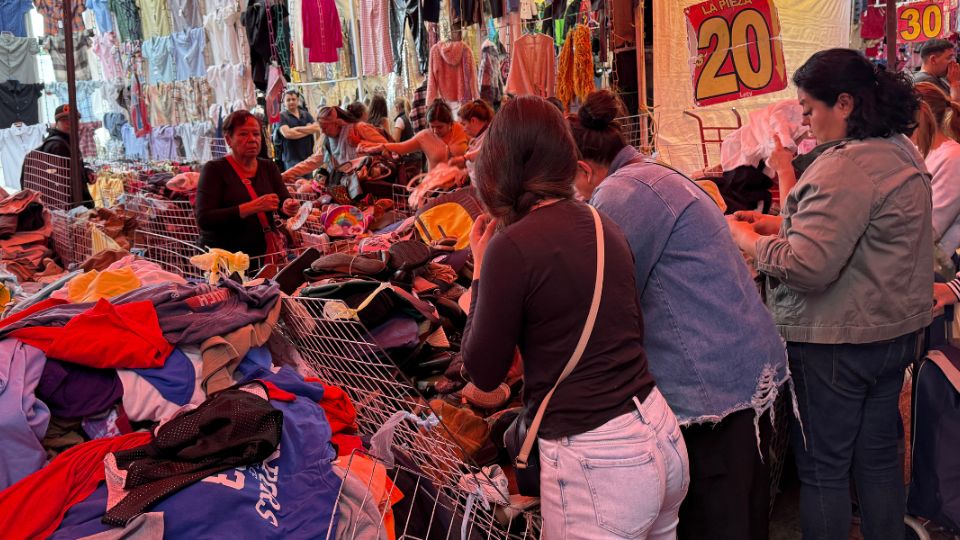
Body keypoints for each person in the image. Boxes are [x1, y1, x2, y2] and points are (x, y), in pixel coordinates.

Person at [462, 95, 688, 539]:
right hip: (659, 431)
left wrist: (479, 271)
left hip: (600, 460)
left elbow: (483, 373)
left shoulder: (509, 247)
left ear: (500, 164)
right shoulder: (602, 222)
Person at [728, 49, 932, 540]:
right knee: (877, 458)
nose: (805, 122)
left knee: (824, 469)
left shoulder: (845, 166)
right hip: (892, 334)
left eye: (808, 109)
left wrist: (749, 240)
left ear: (844, 103)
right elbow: (861, 233)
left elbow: (808, 266)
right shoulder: (898, 148)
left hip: (839, 342)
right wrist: (779, 225)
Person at [569, 89, 787, 540]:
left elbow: (604, 302)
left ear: (583, 169)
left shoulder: (620, 194)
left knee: (720, 522)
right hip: (738, 368)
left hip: (712, 387)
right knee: (743, 516)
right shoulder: (653, 173)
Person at [195, 110, 300, 259]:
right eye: (243, 134)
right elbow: (204, 219)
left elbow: (283, 201)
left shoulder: (268, 167)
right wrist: (252, 207)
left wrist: (288, 206)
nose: (252, 139)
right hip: (225, 260)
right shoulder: (214, 170)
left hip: (264, 256)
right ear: (228, 140)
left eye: (256, 134)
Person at [912, 82, 960, 259]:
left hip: (934, 264)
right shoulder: (916, 149)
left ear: (920, 114)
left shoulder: (953, 158)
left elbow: (932, 228)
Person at [280, 106, 387, 182]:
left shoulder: (359, 128)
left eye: (325, 127)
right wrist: (286, 174)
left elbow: (387, 147)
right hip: (347, 189)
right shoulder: (328, 141)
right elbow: (312, 162)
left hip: (370, 185)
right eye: (321, 128)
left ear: (336, 123)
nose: (322, 132)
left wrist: (361, 143)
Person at [359, 99, 468, 170]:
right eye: (432, 126)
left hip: (462, 187)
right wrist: (380, 146)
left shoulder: (462, 129)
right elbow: (401, 147)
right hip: (436, 190)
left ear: (450, 123)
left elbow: (475, 149)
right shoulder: (424, 136)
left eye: (439, 127)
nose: (435, 131)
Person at [23, 104, 95, 203]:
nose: (70, 123)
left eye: (74, 120)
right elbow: (59, 177)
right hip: (69, 204)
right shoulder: (58, 146)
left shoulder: (67, 141)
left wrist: (86, 172)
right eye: (65, 120)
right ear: (57, 123)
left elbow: (69, 169)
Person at [449, 99, 494, 179]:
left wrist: (464, 158)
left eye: (464, 124)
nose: (463, 129)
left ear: (473, 120)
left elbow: (485, 153)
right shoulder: (476, 138)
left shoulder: (491, 136)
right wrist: (465, 172)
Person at [277, 90, 316, 173]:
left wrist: (296, 129)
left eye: (293, 99)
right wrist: (308, 130)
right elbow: (287, 134)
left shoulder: (305, 114)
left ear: (297, 100)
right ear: (284, 102)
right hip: (292, 159)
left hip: (308, 156)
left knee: (309, 181)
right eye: (288, 100)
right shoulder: (281, 116)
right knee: (295, 181)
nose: (291, 102)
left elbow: (317, 127)